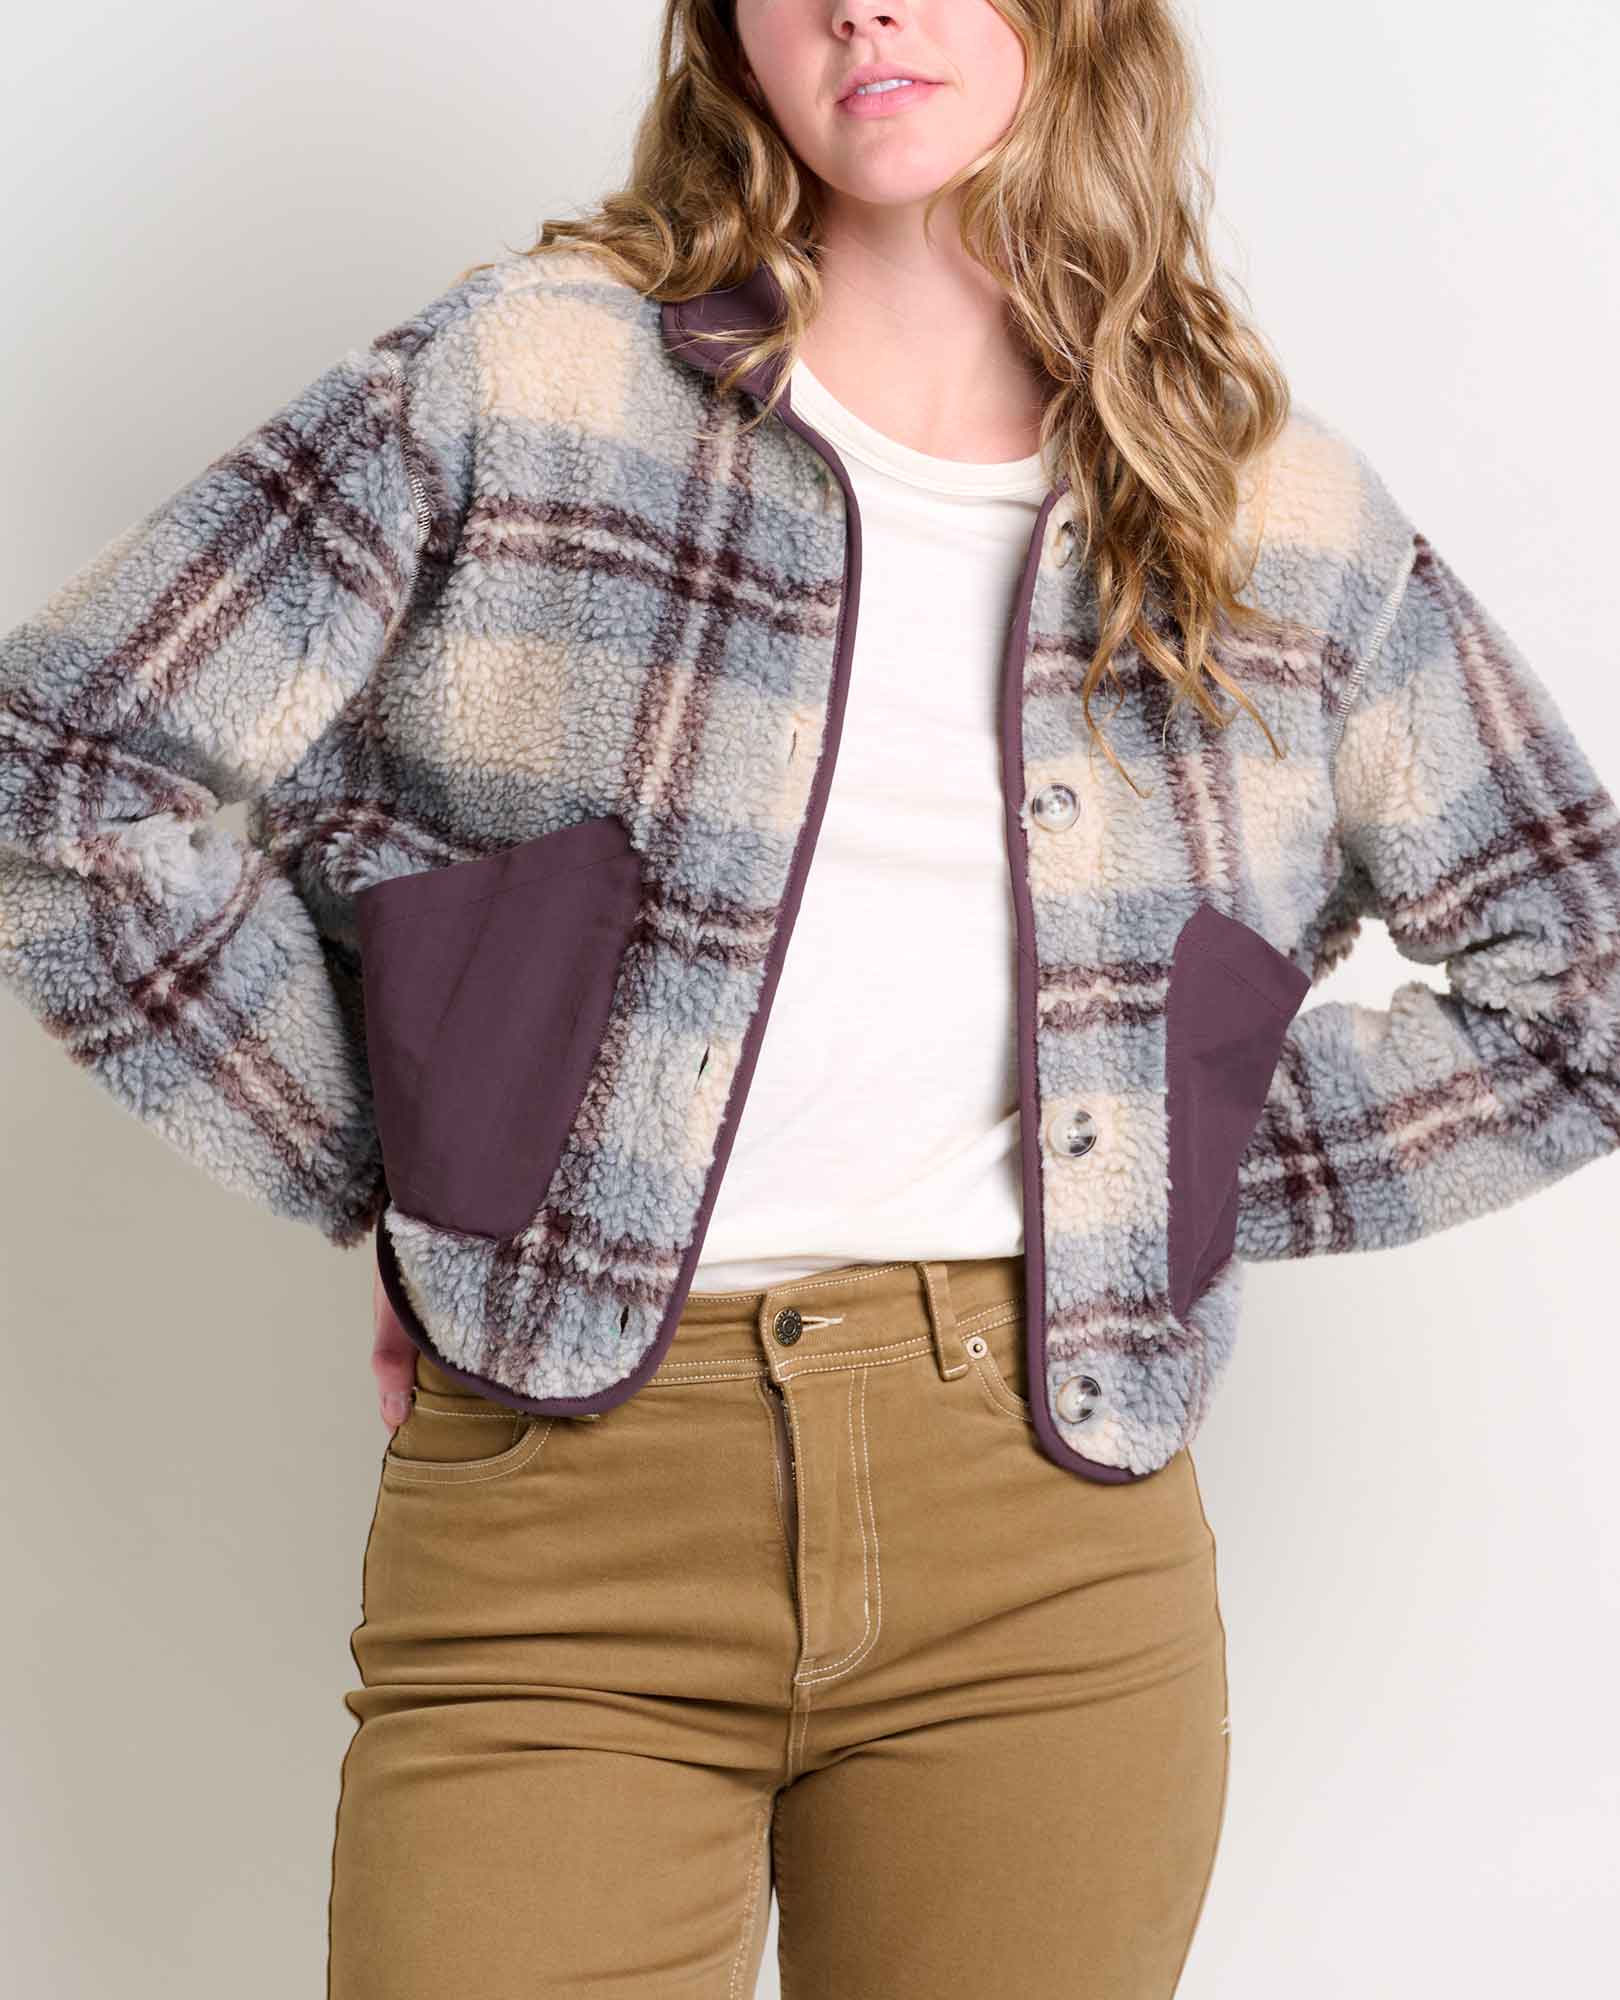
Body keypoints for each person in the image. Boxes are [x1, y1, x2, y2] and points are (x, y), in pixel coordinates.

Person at [3, 3, 1617, 1996]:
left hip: (1050, 1542)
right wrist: (432, 1152)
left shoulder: (1266, 514)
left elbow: (1581, 985)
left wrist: (1144, 1173)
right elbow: (62, 777)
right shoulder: (529, 382)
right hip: (568, 1508)